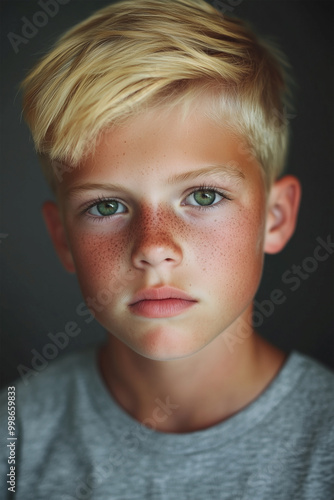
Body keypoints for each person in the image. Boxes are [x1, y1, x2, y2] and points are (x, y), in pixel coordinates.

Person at [1, 0, 333, 498]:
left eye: (203, 196)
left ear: (276, 216)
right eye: (108, 205)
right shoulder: (15, 436)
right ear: (62, 237)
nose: (154, 248)